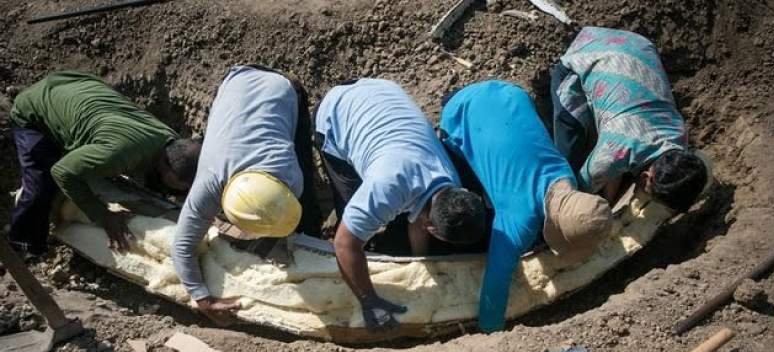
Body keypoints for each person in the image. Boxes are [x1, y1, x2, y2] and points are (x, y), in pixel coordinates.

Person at [440, 80, 612, 333]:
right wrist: (490, 331)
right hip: (459, 113)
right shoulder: (518, 218)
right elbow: (496, 281)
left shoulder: (566, 176)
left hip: (509, 94)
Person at [314, 79, 486, 331]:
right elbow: (344, 243)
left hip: (382, 92)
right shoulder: (386, 188)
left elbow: (420, 217)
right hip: (335, 113)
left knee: (380, 213)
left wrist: (419, 263)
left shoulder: (451, 183)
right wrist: (369, 301)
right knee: (350, 215)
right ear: (431, 227)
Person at [172, 65, 322, 313]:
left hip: (282, 88)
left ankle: (312, 235)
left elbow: (287, 207)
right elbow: (181, 247)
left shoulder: (292, 178)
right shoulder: (209, 183)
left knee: (305, 170)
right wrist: (203, 299)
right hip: (234, 81)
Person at [8, 71, 200, 256]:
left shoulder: (172, 141)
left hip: (77, 85)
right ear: (161, 167)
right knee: (42, 186)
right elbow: (62, 172)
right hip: (34, 108)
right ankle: (22, 244)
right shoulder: (120, 154)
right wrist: (102, 215)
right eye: (172, 184)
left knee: (98, 168)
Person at [550, 26, 710, 212]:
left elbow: (616, 163)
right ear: (645, 178)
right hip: (585, 53)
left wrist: (608, 200)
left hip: (637, 44)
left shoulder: (679, 136)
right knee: (567, 163)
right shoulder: (612, 153)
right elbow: (582, 188)